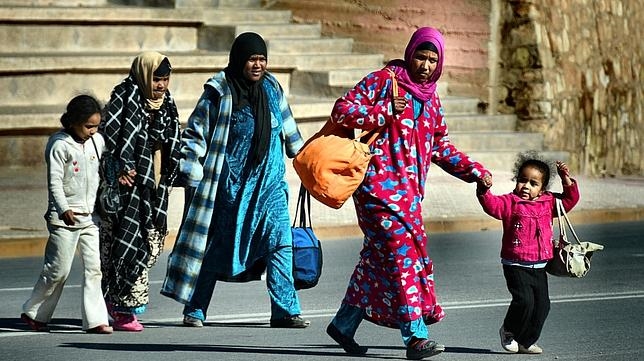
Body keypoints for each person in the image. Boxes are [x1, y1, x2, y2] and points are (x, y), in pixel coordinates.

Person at [325, 27, 493, 360]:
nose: (426, 65)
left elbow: (440, 146)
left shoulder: (431, 99)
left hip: (409, 197)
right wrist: (382, 111)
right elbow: (341, 110)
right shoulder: (383, 81)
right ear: (410, 52)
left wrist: (475, 172)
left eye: (433, 59)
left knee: (376, 260)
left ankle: (344, 323)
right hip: (376, 192)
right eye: (421, 56)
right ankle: (415, 338)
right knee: (403, 260)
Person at [161, 32, 309, 329]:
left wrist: (309, 161)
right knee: (217, 247)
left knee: (280, 243)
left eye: (262, 59)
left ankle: (285, 311)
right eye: (252, 59)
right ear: (239, 59)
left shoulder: (272, 88)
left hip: (270, 186)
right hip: (231, 188)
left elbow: (291, 134)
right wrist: (191, 174)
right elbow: (196, 134)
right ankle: (196, 308)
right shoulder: (220, 91)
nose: (258, 65)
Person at [99, 51, 181, 332]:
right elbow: (109, 136)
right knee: (123, 245)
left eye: (165, 79)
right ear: (144, 75)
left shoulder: (167, 102)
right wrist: (123, 165)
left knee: (148, 243)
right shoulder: (124, 95)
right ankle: (122, 309)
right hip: (126, 186)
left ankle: (117, 303)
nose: (160, 85)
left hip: (154, 185)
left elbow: (173, 138)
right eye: (156, 79)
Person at [21, 94, 112, 334]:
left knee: (94, 269)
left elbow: (103, 173)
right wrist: (63, 209)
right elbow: (55, 183)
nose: (93, 131)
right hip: (64, 219)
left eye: (96, 126)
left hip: (91, 217)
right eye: (88, 126)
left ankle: (95, 320)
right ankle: (34, 313)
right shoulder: (59, 144)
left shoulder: (98, 142)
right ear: (72, 121)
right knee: (57, 270)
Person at [476, 153, 579, 354]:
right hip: (515, 263)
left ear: (543, 188)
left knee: (542, 306)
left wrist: (566, 179)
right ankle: (508, 330)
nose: (526, 186)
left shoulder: (549, 202)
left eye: (533, 183)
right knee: (524, 301)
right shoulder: (510, 202)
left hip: (540, 264)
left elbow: (569, 200)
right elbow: (492, 206)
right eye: (522, 180)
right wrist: (484, 189)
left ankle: (526, 341)